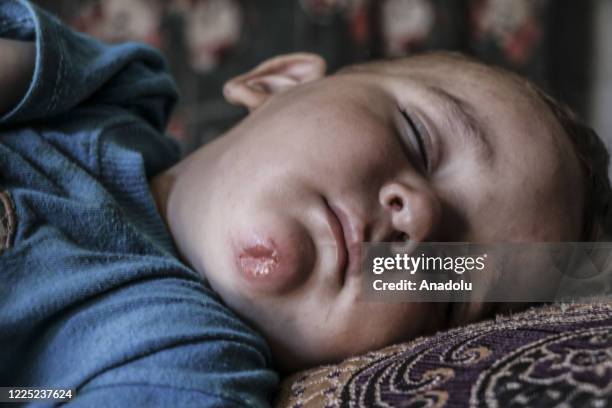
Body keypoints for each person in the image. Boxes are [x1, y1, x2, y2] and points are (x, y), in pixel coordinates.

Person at [1, 0, 609, 406]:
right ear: (278, 82)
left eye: (447, 278)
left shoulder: (191, 370)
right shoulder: (97, 88)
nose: (420, 221)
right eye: (419, 141)